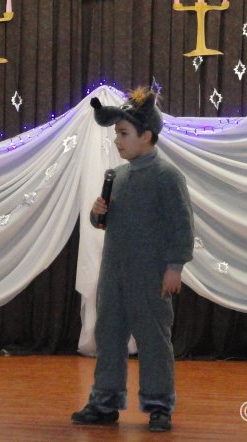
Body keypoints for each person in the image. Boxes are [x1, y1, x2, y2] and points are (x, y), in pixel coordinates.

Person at [71, 88, 194, 432]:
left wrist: (174, 267)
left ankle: (159, 406)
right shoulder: (118, 176)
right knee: (108, 337)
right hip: (114, 275)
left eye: (124, 134)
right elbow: (105, 223)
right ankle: (104, 402)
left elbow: (182, 225)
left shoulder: (167, 176)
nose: (117, 141)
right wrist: (98, 213)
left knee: (153, 341)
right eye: (116, 134)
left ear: (147, 136)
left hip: (150, 277)